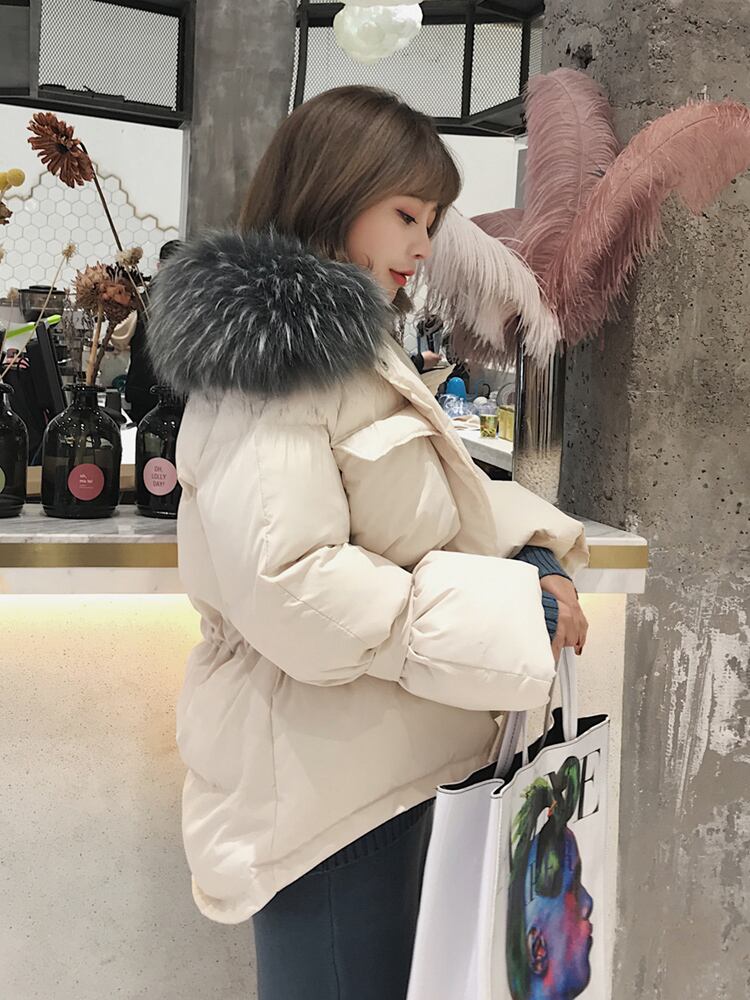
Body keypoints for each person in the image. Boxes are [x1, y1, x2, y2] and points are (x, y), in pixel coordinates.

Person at [147, 85, 590, 1000]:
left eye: (431, 221)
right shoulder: (273, 363)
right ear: (334, 192)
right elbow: (294, 585)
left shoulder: (357, 350)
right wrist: (511, 615)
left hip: (388, 776)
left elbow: (428, 507)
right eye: (406, 215)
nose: (424, 246)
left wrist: (533, 556)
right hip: (327, 802)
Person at [122, 239, 182, 423]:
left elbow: (120, 339)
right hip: (171, 390)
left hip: (143, 388)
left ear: (159, 265)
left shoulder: (142, 298)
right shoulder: (186, 300)